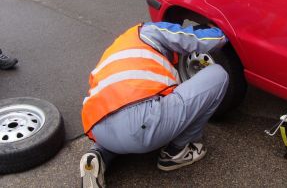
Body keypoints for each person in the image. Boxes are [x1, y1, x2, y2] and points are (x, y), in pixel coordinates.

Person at [80, 22, 229, 187]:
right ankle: (176, 153)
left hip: (98, 129)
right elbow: (195, 39)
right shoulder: (149, 30)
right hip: (140, 126)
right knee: (218, 75)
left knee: (119, 129)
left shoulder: (117, 48)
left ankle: (96, 156)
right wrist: (229, 32)